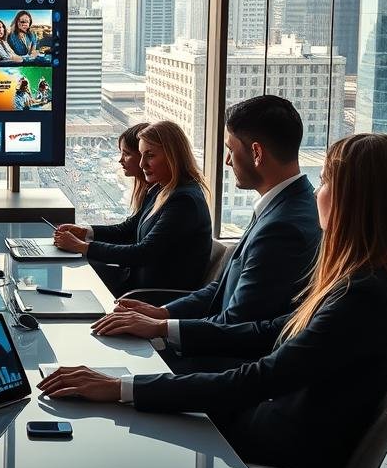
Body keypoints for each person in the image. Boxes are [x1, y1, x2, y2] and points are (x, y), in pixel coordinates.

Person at [39, 133, 387, 468]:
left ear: (351, 199)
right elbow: (268, 332)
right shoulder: (362, 282)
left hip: (267, 462)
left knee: (111, 439)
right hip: (266, 430)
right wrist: (160, 330)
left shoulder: (361, 296)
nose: (316, 193)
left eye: (324, 182)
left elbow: (261, 378)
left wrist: (121, 387)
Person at [91, 97, 321, 372]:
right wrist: (162, 312)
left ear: (257, 153)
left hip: (221, 365)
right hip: (209, 344)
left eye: (230, 149)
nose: (227, 161)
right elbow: (220, 288)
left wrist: (161, 328)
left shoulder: (283, 227)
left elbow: (237, 323)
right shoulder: (280, 206)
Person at [54, 120, 212, 293]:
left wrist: (82, 247)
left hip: (150, 296)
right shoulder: (162, 189)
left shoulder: (185, 201)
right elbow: (128, 230)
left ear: (173, 155)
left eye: (150, 155)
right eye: (142, 155)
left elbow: (144, 252)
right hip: (134, 281)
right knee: (73, 267)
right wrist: (85, 233)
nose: (142, 164)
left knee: (75, 274)